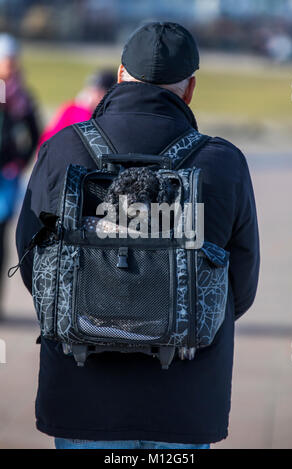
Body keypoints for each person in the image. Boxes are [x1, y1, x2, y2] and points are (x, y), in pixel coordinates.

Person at [16, 22, 260, 449]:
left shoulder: (63, 149)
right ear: (190, 90)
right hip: (185, 399)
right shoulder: (223, 163)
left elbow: (32, 262)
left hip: (81, 397)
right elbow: (241, 285)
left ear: (120, 73)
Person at [0, 34, 39, 318]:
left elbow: (35, 132)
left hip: (6, 176)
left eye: (13, 60)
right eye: (5, 60)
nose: (10, 65)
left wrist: (21, 161)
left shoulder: (21, 95)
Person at [37, 70, 116, 150]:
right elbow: (47, 139)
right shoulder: (74, 110)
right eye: (92, 90)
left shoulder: (109, 115)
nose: (93, 95)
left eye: (99, 92)